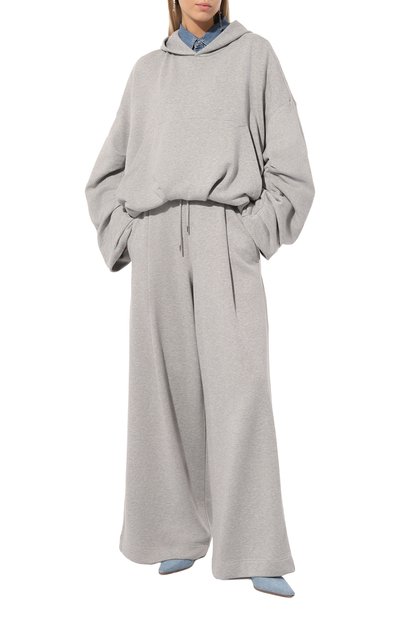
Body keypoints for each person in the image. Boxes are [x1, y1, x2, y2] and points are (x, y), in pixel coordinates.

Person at [84, 0, 315, 598]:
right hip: (158, 241)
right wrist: (130, 234)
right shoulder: (147, 71)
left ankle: (254, 547)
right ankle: (173, 534)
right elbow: (105, 174)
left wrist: (250, 233)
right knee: (163, 392)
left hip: (225, 238)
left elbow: (291, 170)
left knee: (242, 391)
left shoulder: (255, 56)